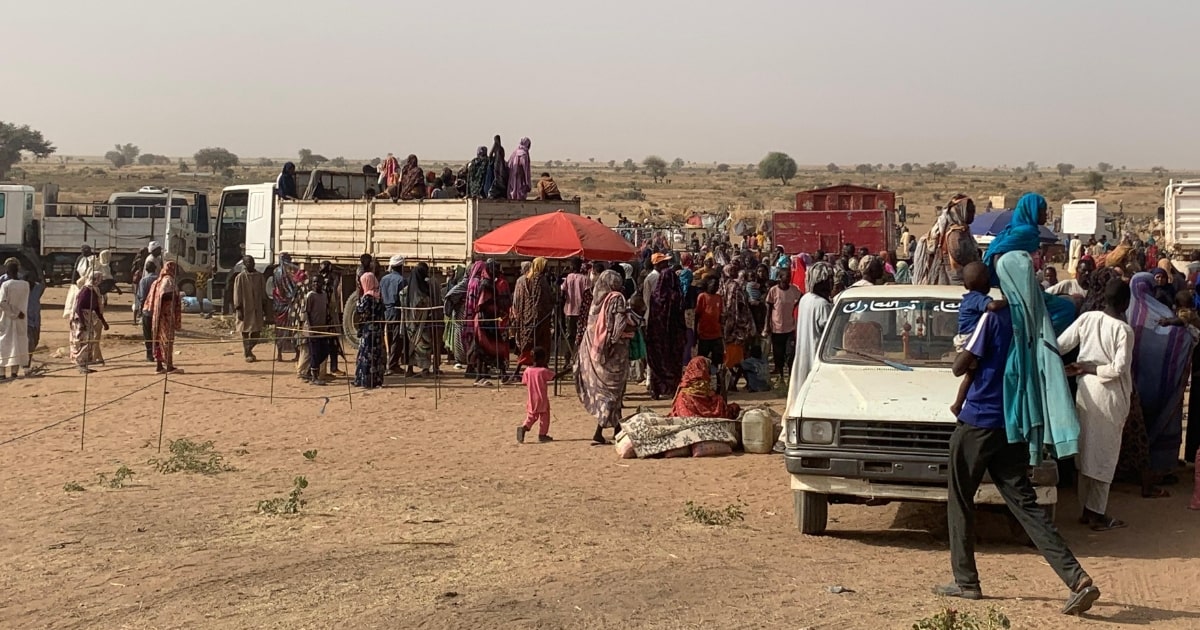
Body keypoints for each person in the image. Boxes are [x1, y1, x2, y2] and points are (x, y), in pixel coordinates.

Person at [936, 250, 1098, 617]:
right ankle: (1076, 578)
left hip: (979, 420)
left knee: (960, 497)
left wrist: (962, 353)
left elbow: (961, 366)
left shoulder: (993, 319)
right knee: (1025, 504)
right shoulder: (1036, 321)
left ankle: (966, 580)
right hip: (1014, 423)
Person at [1056, 278, 1134, 531]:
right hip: (1109, 393)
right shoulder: (1123, 330)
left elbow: (1060, 345)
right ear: (1125, 303)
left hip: (1086, 391)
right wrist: (1091, 367)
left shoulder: (1087, 318)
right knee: (1105, 454)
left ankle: (1087, 509)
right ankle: (1096, 513)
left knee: (1087, 449)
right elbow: (1119, 368)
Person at [1127, 271, 1198, 481]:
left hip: (1134, 387)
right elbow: (1185, 337)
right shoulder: (1161, 312)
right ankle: (1161, 468)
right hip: (1162, 385)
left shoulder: (1128, 313)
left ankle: (1133, 467)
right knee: (1165, 420)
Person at [779, 262, 835, 451]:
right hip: (816, 359)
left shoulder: (805, 299)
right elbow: (829, 332)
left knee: (797, 396)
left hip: (802, 355)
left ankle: (788, 434)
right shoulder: (822, 304)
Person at [575, 270, 632, 445]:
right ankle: (599, 432)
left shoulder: (596, 301)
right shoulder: (617, 299)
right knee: (612, 392)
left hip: (597, 354)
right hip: (614, 353)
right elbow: (619, 326)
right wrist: (619, 338)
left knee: (611, 392)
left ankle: (617, 429)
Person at [912, 195, 978, 285]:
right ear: (960, 211)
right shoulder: (955, 234)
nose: (972, 214)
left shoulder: (962, 231)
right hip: (955, 280)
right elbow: (958, 256)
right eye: (969, 211)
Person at [512, 257, 554, 370]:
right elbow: (544, 299)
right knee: (540, 342)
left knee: (528, 343)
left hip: (527, 317)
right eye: (545, 266)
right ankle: (540, 366)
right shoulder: (540, 280)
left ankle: (524, 367)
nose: (547, 268)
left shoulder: (527, 278)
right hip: (540, 317)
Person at [719, 265, 756, 390]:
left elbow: (737, 307)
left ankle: (733, 383)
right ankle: (733, 383)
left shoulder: (727, 286)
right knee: (737, 356)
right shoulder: (732, 286)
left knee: (733, 356)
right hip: (734, 326)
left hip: (731, 327)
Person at [404, 262, 443, 376]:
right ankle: (424, 369)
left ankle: (410, 369)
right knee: (423, 346)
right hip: (422, 324)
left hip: (411, 324)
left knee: (413, 346)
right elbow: (421, 304)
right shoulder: (423, 290)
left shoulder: (409, 288)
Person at [670, 356, 739, 419]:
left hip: (686, 417)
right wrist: (722, 382)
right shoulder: (705, 387)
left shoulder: (682, 393)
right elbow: (718, 402)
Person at [145, 262, 182, 373]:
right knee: (167, 340)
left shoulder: (158, 281)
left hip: (157, 315)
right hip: (166, 314)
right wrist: (175, 295)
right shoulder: (168, 280)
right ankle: (169, 366)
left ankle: (159, 366)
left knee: (158, 339)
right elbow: (164, 295)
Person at [70, 271, 109, 373]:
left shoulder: (95, 291)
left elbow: (96, 308)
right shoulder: (86, 290)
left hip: (88, 318)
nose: (101, 282)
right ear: (95, 279)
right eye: (99, 279)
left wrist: (104, 322)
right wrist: (82, 323)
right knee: (83, 341)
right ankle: (80, 364)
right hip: (81, 318)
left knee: (89, 341)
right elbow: (78, 307)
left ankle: (85, 363)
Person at [764, 272, 802, 377]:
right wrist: (767, 325)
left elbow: (801, 297)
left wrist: (794, 306)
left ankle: (790, 376)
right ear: (780, 277)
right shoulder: (773, 290)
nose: (789, 278)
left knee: (790, 353)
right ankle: (780, 375)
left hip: (789, 327)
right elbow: (768, 309)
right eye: (786, 276)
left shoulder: (794, 290)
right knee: (778, 353)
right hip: (776, 328)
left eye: (789, 276)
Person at [231, 255, 268, 362]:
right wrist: (238, 309)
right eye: (248, 262)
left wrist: (265, 309)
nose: (250, 264)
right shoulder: (240, 277)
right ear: (244, 264)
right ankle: (248, 354)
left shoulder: (259, 276)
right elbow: (236, 294)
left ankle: (248, 350)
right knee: (245, 332)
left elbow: (263, 293)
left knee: (257, 333)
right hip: (244, 308)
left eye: (252, 261)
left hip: (257, 308)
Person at [354, 272, 386, 388]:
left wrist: (358, 299)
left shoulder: (367, 297)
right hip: (377, 329)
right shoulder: (378, 296)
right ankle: (376, 379)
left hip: (368, 330)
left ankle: (365, 380)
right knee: (376, 354)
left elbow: (360, 310)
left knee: (366, 354)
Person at [0, 258, 30, 379]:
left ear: (7, 271)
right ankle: (14, 372)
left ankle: (2, 373)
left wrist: (14, 313)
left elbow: (2, 302)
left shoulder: (5, 285)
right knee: (19, 344)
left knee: (4, 344)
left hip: (7, 319)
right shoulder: (25, 285)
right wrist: (18, 313)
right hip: (21, 319)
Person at [517, 347, 554, 443]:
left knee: (531, 416)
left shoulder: (527, 370)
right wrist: (569, 370)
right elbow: (554, 376)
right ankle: (542, 434)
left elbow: (524, 382)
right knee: (544, 417)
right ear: (542, 359)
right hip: (542, 399)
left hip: (531, 399)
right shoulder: (543, 371)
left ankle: (524, 427)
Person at [380, 255, 408, 374]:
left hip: (386, 311)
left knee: (389, 336)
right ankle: (392, 364)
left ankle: (391, 362)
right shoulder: (401, 280)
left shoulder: (384, 279)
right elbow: (404, 298)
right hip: (397, 310)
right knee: (397, 338)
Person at [303, 271, 332, 385]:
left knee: (324, 351)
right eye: (314, 282)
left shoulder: (324, 295)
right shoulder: (310, 295)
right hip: (312, 329)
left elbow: (326, 309)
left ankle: (310, 370)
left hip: (322, 328)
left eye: (318, 282)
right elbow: (307, 313)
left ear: (322, 283)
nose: (316, 284)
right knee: (314, 352)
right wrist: (310, 328)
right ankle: (314, 377)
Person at [695, 278, 723, 366]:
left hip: (716, 334)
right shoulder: (702, 297)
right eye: (714, 285)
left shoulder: (719, 297)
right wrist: (695, 331)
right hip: (704, 334)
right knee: (702, 359)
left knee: (718, 359)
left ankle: (716, 373)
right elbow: (697, 315)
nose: (716, 287)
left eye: (717, 286)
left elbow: (720, 315)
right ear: (708, 285)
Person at [137, 261, 159, 361]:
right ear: (155, 269)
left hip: (147, 311)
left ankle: (149, 355)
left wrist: (141, 310)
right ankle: (158, 354)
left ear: (146, 269)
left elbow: (141, 297)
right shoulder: (159, 280)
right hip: (158, 310)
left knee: (147, 333)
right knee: (157, 333)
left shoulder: (143, 281)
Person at [487, 136, 507, 200]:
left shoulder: (496, 148)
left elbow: (490, 155)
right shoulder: (500, 148)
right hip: (499, 167)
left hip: (497, 167)